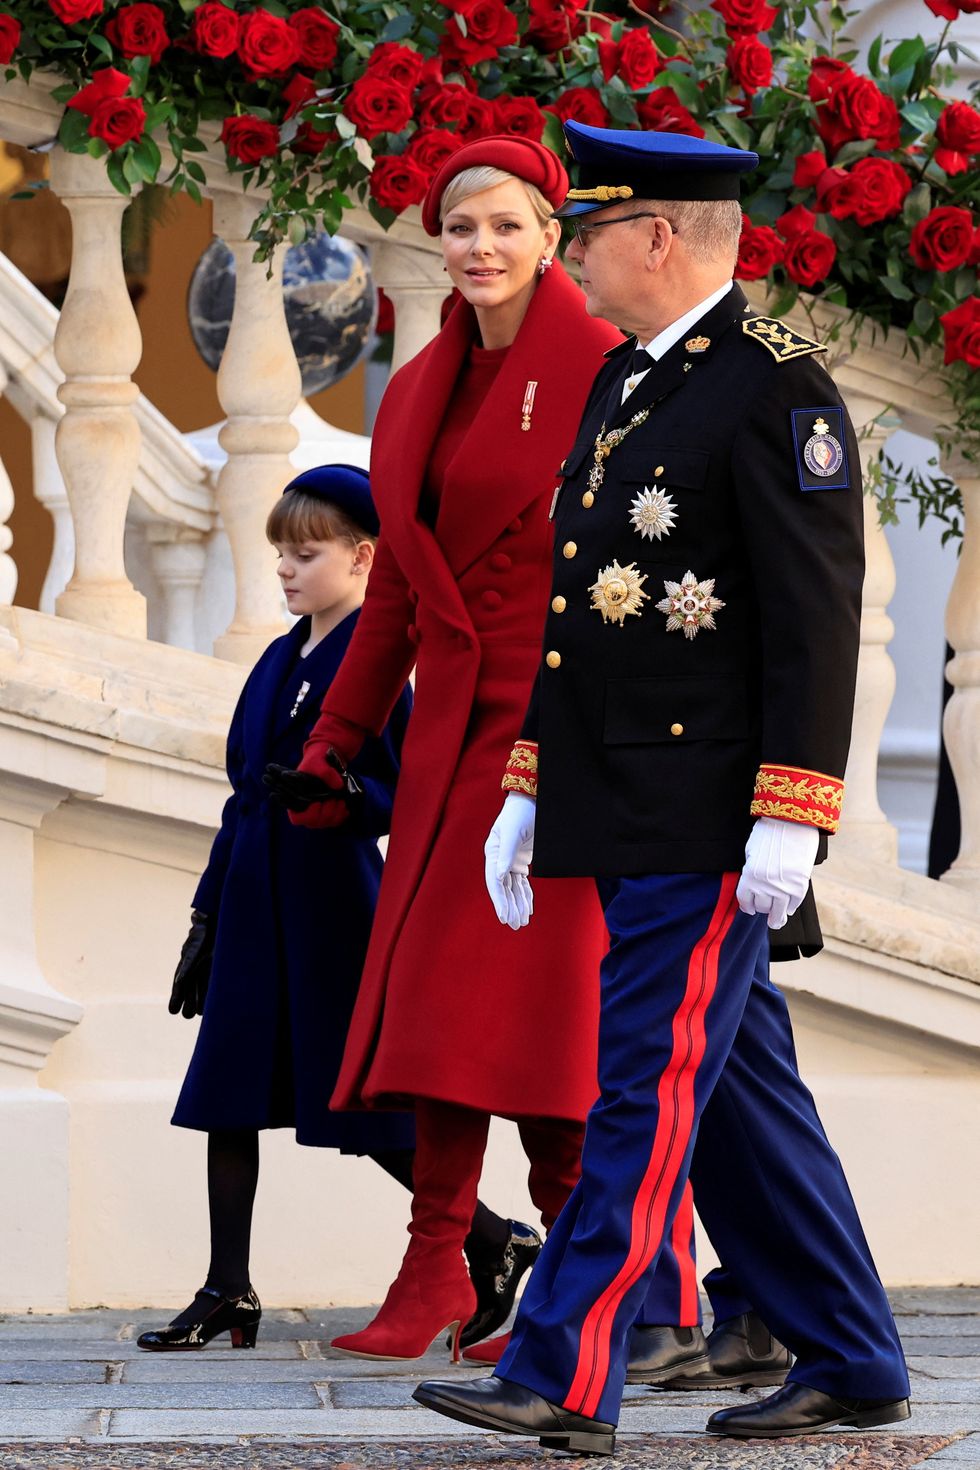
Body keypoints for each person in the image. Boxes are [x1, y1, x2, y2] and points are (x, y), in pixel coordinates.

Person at [413, 121, 911, 1452]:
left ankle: (565, 1369)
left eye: (584, 235)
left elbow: (816, 619)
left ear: (656, 236)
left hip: (710, 815)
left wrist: (792, 812)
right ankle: (856, 1355)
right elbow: (588, 619)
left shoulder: (772, 390)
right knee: (741, 1094)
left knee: (639, 1080)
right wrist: (530, 786)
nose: (568, 259)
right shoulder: (630, 386)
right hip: (631, 800)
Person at [263, 137, 691, 1366]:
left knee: (550, 1019)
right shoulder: (417, 381)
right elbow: (396, 577)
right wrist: (338, 740)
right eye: (460, 228)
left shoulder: (611, 365)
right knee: (446, 1009)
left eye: (506, 225)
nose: (481, 248)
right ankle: (443, 1268)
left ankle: (627, 1281)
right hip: (450, 736)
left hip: (560, 734)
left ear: (552, 238)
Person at [138, 465, 510, 1352]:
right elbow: (240, 799)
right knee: (225, 1093)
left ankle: (493, 1241)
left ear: (364, 556)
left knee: (363, 1110)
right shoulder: (276, 658)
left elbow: (401, 794)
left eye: (306, 552)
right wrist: (205, 919)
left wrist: (340, 789)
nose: (286, 569)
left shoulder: (379, 662)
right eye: (280, 553)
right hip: (253, 900)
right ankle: (229, 1288)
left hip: (334, 906)